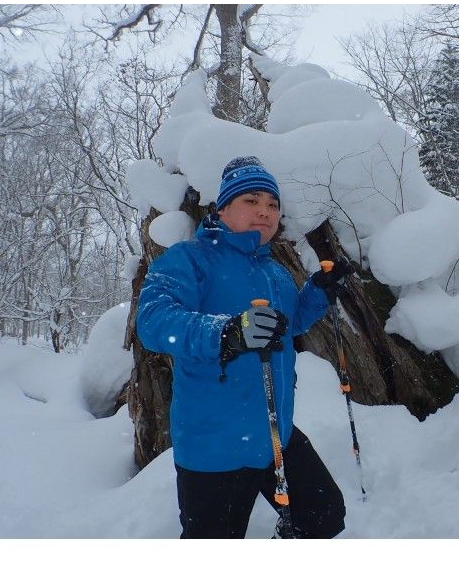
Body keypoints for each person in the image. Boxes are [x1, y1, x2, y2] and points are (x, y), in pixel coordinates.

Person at [137, 156, 353, 539]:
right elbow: (154, 323)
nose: (265, 212)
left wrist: (318, 293)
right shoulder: (188, 260)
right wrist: (227, 332)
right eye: (251, 200)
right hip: (213, 447)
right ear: (223, 208)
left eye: (272, 204)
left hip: (276, 436)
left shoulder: (274, 271)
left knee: (324, 514)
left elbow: (288, 326)